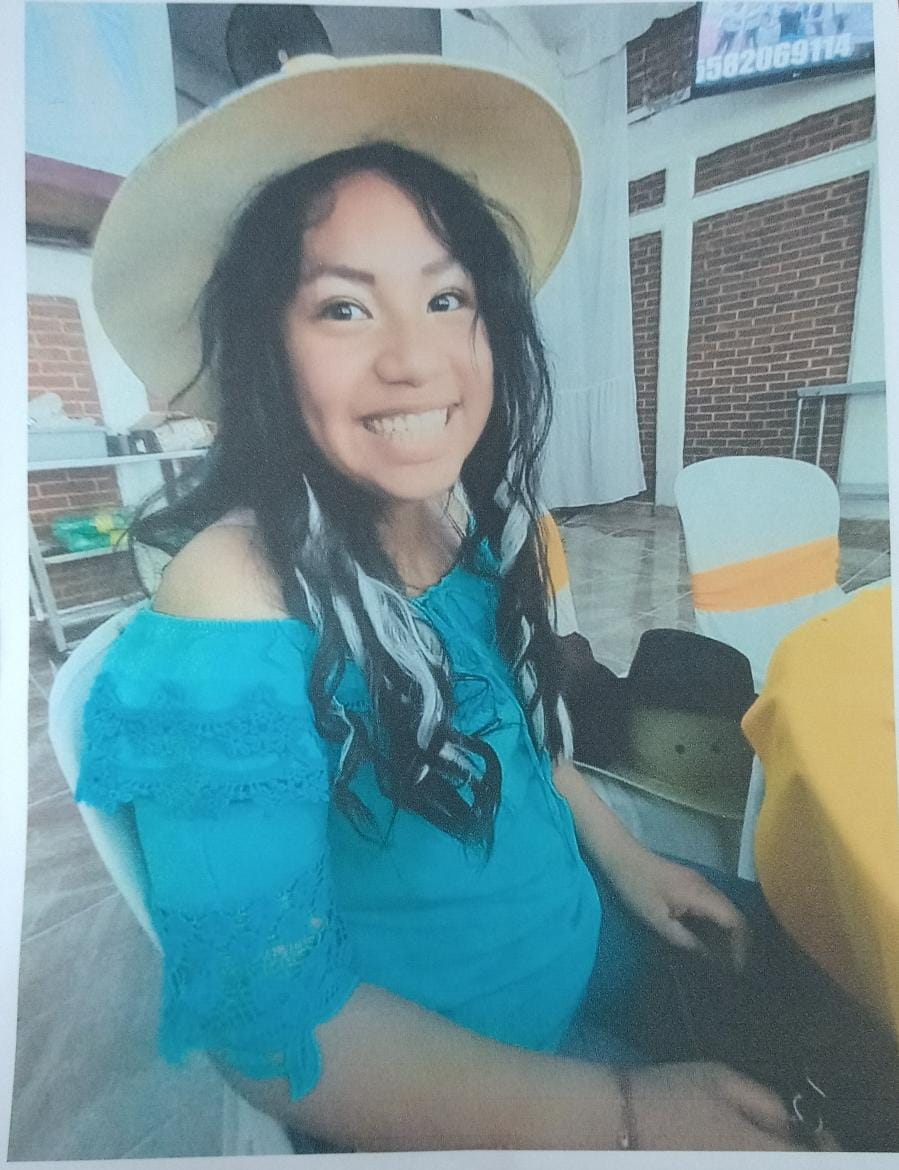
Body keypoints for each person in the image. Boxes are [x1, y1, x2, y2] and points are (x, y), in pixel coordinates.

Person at [77, 52, 805, 1153]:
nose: (415, 359)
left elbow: (514, 737)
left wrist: (631, 861)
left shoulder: (448, 514)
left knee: (839, 975)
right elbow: (270, 1026)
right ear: (266, 350)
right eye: (342, 308)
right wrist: (626, 1115)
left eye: (445, 296)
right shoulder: (231, 597)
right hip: (478, 1079)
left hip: (593, 931)